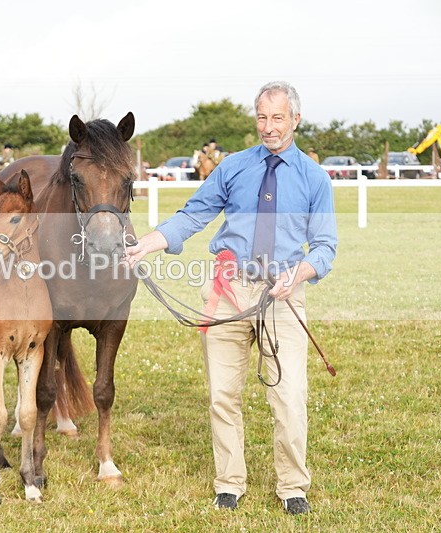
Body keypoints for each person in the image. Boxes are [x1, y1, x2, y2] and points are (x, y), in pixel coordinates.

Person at [125, 81, 337, 515]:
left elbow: (325, 248)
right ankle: (229, 483)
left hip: (283, 293)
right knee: (223, 394)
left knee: (289, 395)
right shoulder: (233, 167)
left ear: (295, 119)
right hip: (227, 290)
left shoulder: (314, 178)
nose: (269, 127)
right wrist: (152, 241)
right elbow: (193, 214)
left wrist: (298, 273)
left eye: (278, 117)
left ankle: (293, 486)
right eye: (262, 117)